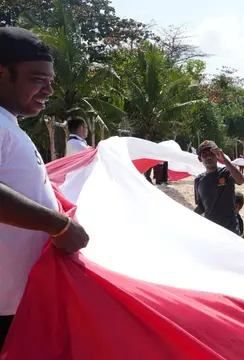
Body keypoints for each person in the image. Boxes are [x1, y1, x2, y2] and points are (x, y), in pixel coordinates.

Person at [0, 27, 90, 348]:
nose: (49, 90)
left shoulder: (9, 124)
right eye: (38, 79)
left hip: (19, 302)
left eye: (51, 81)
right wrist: (58, 224)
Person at [194, 140, 244, 235]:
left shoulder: (226, 172)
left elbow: (241, 180)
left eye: (212, 153)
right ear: (200, 158)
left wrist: (225, 160)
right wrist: (188, 216)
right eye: (204, 154)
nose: (209, 157)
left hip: (230, 229)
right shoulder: (198, 180)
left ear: (217, 156)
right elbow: (201, 206)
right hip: (211, 230)